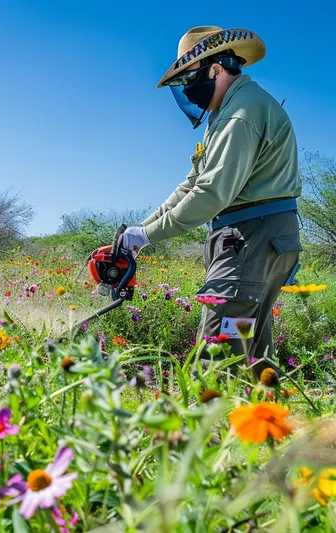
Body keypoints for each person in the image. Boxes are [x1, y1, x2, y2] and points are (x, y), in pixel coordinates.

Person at [120, 26, 302, 379]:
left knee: (218, 357)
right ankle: (270, 430)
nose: (188, 88)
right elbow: (192, 182)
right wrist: (143, 229)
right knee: (251, 354)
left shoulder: (241, 115)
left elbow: (213, 192)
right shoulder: (228, 111)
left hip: (251, 240)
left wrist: (148, 236)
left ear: (215, 69)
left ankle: (213, 432)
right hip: (258, 240)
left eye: (190, 77)